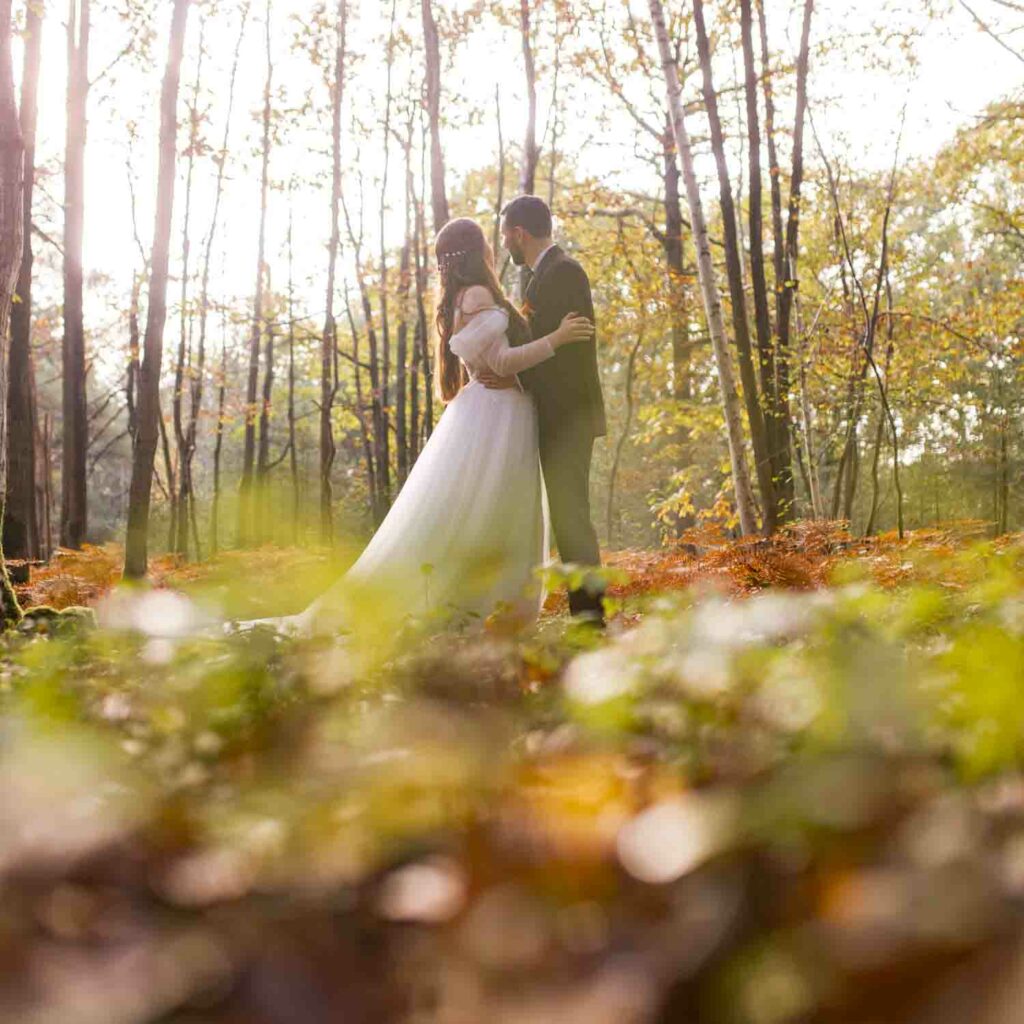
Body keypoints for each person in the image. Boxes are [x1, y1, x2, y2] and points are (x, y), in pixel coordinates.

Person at [253, 217, 594, 636]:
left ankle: (470, 602)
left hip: (484, 410)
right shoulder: (481, 294)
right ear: (477, 250)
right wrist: (555, 339)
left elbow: (490, 360)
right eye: (488, 242)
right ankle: (484, 605)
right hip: (499, 415)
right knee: (494, 508)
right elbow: (502, 364)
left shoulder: (459, 297)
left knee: (475, 509)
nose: (496, 246)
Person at [485, 195, 607, 624]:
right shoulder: (543, 277)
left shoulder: (563, 273)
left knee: (572, 515)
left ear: (520, 233)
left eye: (506, 236)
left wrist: (516, 377)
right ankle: (586, 615)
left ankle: (590, 618)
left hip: (568, 414)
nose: (505, 246)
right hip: (558, 414)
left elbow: (570, 350)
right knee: (567, 513)